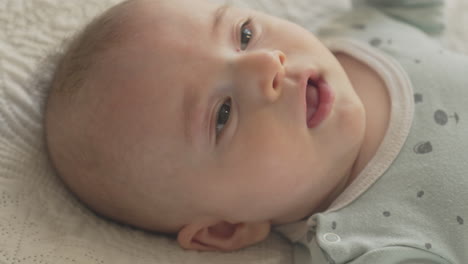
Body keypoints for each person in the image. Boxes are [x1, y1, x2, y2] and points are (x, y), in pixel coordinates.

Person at [44, 0, 468, 262]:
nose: (267, 64)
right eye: (223, 115)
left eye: (245, 35)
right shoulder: (367, 244)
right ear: (226, 229)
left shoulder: (362, 38)